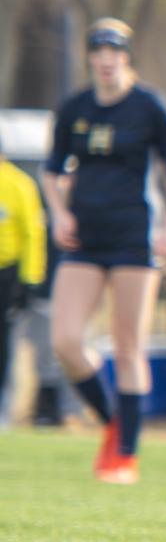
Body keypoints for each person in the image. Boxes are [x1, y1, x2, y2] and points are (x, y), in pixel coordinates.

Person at [39, 19, 166, 483]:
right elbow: (51, 170)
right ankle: (113, 421)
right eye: (99, 50)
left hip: (135, 236)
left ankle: (124, 454)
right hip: (85, 237)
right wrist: (60, 212)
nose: (106, 59)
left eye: (115, 50)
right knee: (65, 340)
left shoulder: (149, 106)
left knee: (128, 346)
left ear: (127, 56)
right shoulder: (75, 108)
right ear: (89, 56)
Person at [0, 142, 47, 425]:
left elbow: (32, 233)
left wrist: (29, 279)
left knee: (4, 342)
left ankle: (3, 408)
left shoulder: (18, 184)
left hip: (7, 273)